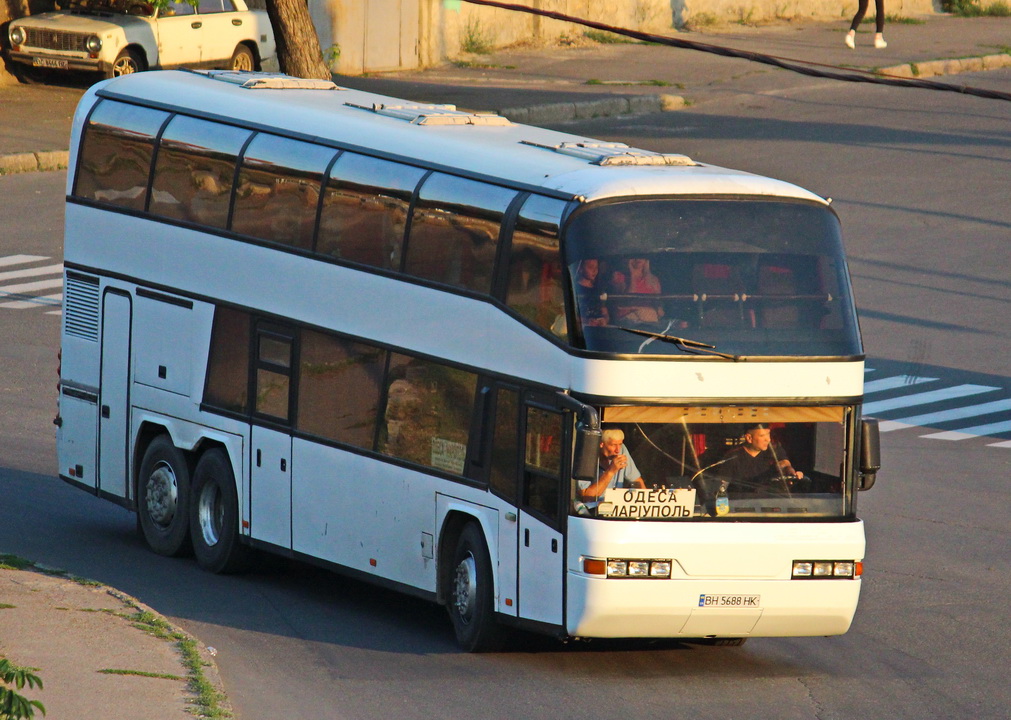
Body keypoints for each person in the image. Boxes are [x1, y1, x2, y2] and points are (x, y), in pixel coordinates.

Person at [718, 423, 803, 494]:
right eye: (762, 436)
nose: (768, 439)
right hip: (742, 504)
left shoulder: (774, 449)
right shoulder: (732, 456)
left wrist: (790, 473)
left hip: (770, 501)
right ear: (749, 438)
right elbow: (722, 487)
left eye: (768, 434)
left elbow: (784, 464)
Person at [577, 428, 646, 507]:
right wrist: (611, 471)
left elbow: (637, 481)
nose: (617, 450)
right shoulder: (587, 456)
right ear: (601, 444)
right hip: (593, 512)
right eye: (613, 445)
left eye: (620, 444)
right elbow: (587, 498)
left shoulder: (621, 450)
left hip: (616, 510)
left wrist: (646, 504)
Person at [610, 257, 664, 325]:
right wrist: (633, 275)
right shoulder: (619, 276)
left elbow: (659, 303)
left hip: (648, 316)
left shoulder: (653, 279)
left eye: (641, 256)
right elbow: (628, 300)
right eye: (634, 256)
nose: (638, 259)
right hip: (627, 316)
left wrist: (659, 310)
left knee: (649, 314)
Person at [574, 258, 609, 327]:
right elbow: (567, 315)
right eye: (591, 267)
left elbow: (605, 312)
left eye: (596, 267)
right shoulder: (574, 288)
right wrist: (587, 321)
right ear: (581, 269)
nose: (594, 270)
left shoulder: (599, 290)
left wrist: (604, 320)